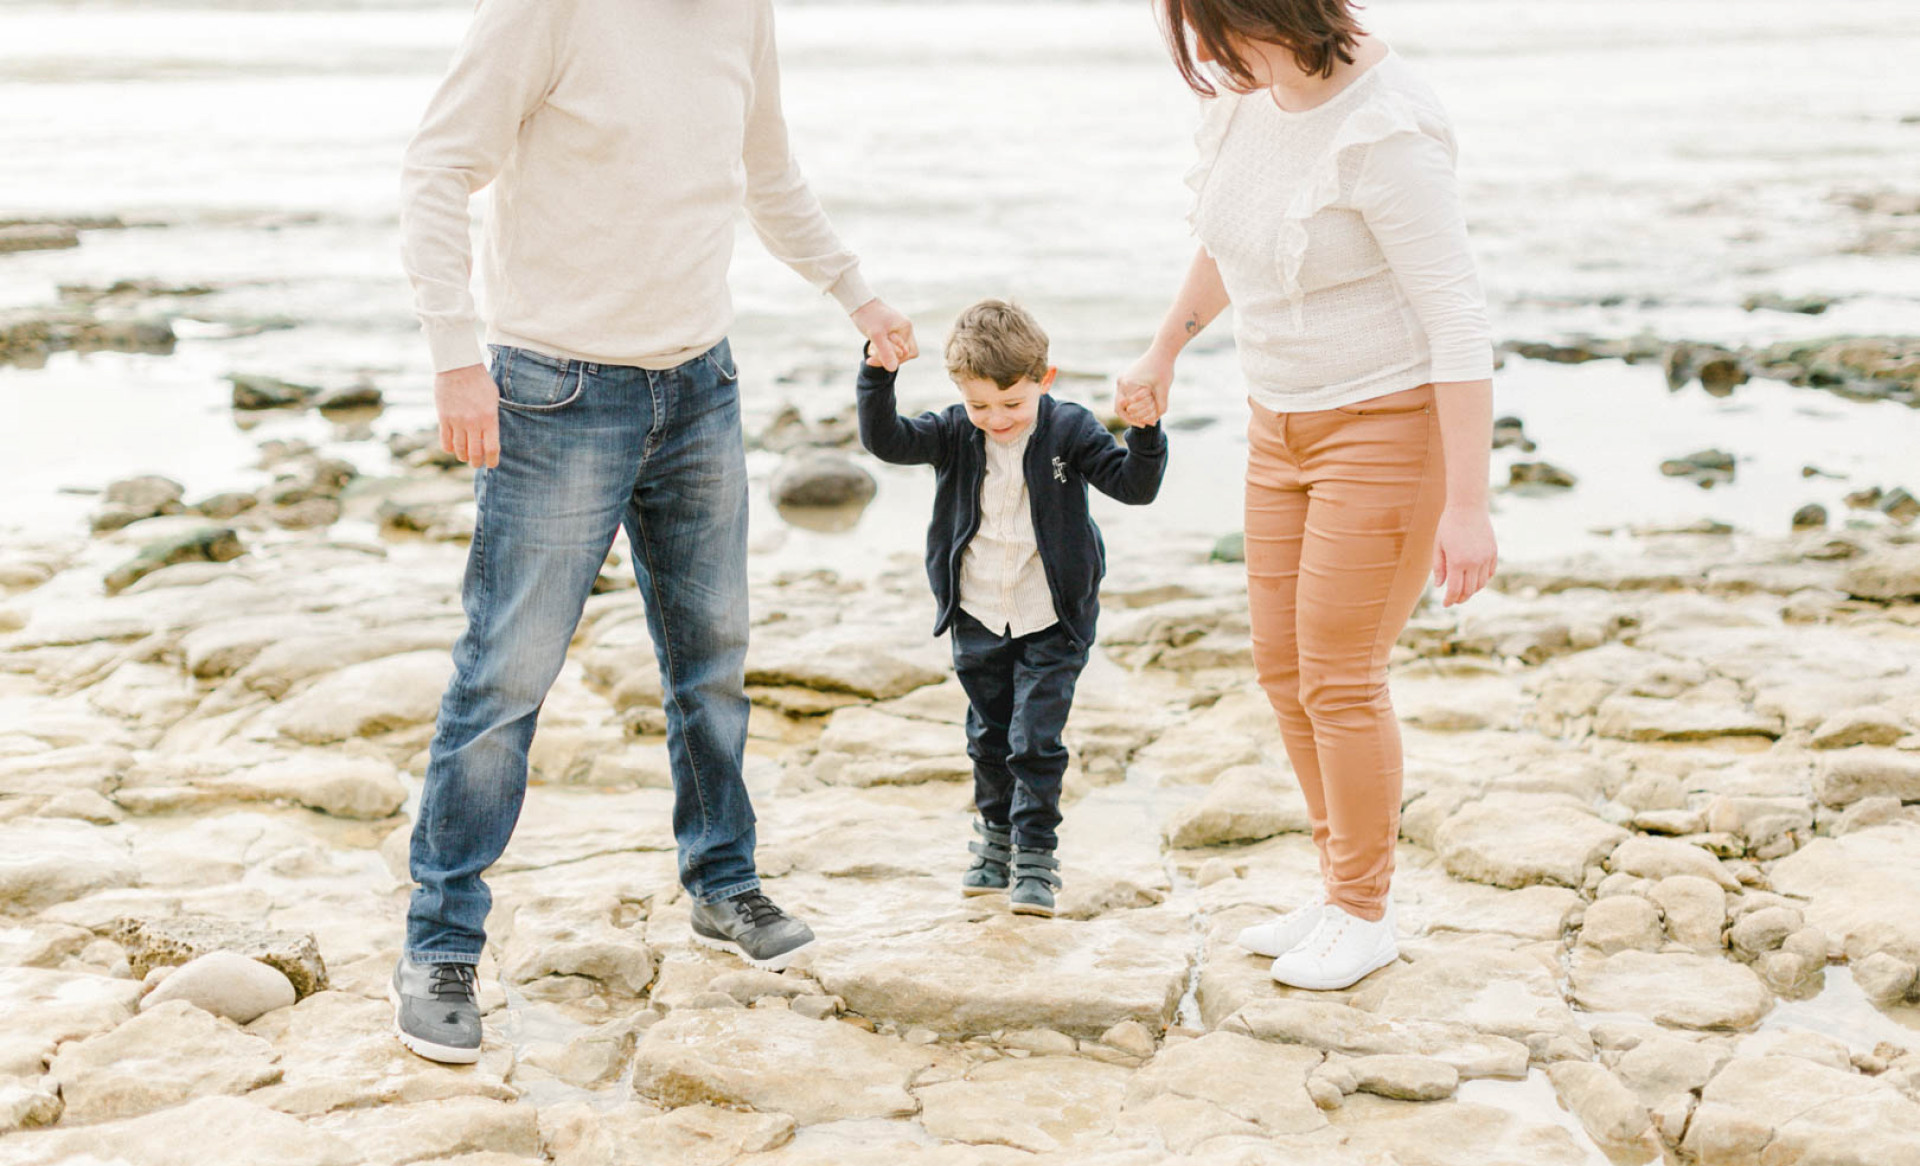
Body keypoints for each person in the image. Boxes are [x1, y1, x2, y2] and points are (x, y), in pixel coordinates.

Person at [391, 0, 918, 1063]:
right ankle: (440, 943)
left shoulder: (742, 14)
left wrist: (858, 295)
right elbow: (437, 170)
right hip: (553, 390)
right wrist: (456, 356)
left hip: (700, 384)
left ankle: (723, 882)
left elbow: (768, 179)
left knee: (711, 662)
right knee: (504, 678)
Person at [1116, 0, 1498, 991]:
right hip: (1275, 424)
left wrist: (1468, 501)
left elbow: (1457, 320)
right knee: (1282, 669)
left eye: (1217, 30)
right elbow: (1228, 230)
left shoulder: (1388, 127)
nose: (1207, 56)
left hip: (1385, 429)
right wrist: (1167, 346)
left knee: (1341, 676)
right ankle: (1337, 886)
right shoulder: (1251, 97)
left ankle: (1364, 910)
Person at [859, 301, 1167, 917]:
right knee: (989, 737)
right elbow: (887, 441)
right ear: (959, 393)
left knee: (1035, 739)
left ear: (1043, 381)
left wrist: (1147, 432)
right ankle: (994, 839)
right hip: (977, 611)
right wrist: (878, 374)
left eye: (1011, 405)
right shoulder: (953, 431)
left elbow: (1136, 487)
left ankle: (1034, 855)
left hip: (1053, 615)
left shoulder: (1070, 430)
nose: (995, 420)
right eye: (979, 406)